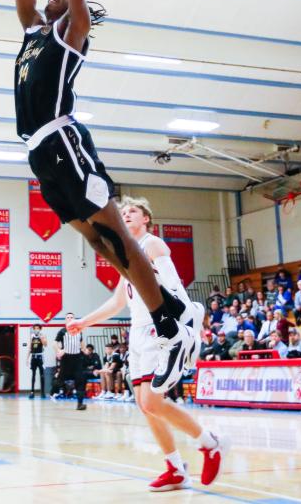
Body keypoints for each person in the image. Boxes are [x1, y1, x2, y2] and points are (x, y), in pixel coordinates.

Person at [13, 0, 195, 394]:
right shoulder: (31, 32)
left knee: (116, 233)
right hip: (38, 155)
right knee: (96, 241)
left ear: (72, 8)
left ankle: (171, 325)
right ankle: (173, 306)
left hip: (64, 141)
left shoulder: (72, 34)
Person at [67, 196, 227, 491]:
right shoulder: (126, 256)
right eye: (123, 212)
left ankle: (210, 442)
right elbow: (118, 302)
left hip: (159, 326)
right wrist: (84, 322)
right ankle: (176, 469)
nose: (126, 214)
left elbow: (173, 286)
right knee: (145, 405)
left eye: (133, 212)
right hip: (137, 332)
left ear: (146, 220)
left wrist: (187, 321)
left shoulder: (152, 245)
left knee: (152, 400)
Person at [56, 312, 87, 410]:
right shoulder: (62, 331)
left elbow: (81, 342)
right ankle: (55, 392)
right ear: (66, 320)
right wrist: (58, 351)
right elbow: (54, 343)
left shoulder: (79, 331)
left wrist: (84, 349)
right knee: (60, 378)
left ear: (74, 319)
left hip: (77, 358)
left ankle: (80, 403)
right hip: (66, 358)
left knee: (80, 379)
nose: (69, 318)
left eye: (71, 317)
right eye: (68, 317)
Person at [28, 324, 46, 399]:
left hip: (40, 357)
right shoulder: (32, 337)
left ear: (40, 329)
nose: (36, 329)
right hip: (33, 357)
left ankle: (42, 392)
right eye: (35, 328)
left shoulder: (42, 336)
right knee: (33, 375)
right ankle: (32, 392)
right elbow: (30, 348)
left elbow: (45, 344)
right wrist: (27, 358)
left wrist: (41, 338)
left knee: (42, 375)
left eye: (37, 328)